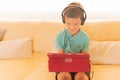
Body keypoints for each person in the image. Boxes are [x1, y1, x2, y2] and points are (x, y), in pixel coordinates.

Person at [56, 2, 90, 80]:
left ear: (82, 21)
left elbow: (83, 57)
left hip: (80, 66)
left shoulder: (85, 37)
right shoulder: (60, 36)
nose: (71, 28)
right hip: (64, 66)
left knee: (81, 77)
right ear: (64, 21)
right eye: (68, 24)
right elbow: (61, 55)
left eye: (75, 24)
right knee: (64, 77)